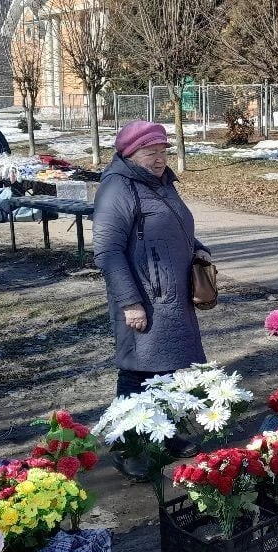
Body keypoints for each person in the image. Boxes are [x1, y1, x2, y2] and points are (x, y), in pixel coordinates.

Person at [93, 120, 211, 481]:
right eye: (150, 152)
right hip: (143, 297)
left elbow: (175, 229)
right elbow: (108, 251)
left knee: (170, 371)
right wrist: (130, 302)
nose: (159, 159)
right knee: (137, 374)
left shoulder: (160, 183)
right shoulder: (119, 187)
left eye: (163, 151)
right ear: (130, 153)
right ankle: (129, 449)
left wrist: (199, 251)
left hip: (173, 297)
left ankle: (167, 433)